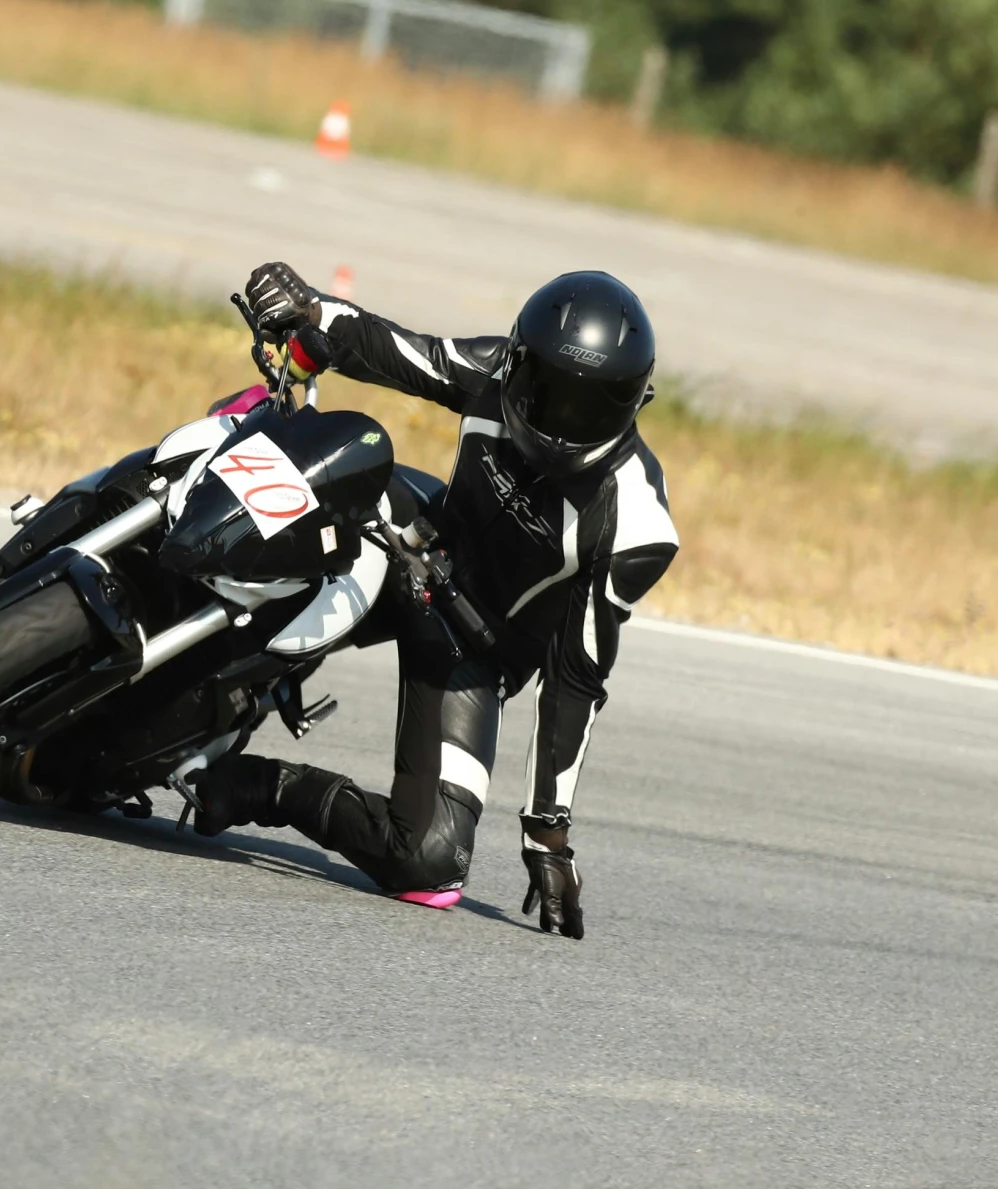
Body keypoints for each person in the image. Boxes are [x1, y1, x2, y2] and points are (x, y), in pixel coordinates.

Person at [186, 263, 679, 940]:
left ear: (634, 405)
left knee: (430, 862)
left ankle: (260, 786)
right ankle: (176, 639)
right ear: (518, 361)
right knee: (312, 492)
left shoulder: (638, 525)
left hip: (471, 653)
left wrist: (548, 833)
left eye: (590, 407)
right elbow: (398, 349)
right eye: (547, 392)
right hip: (409, 544)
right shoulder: (495, 370)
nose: (562, 421)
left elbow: (575, 678)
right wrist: (310, 307)